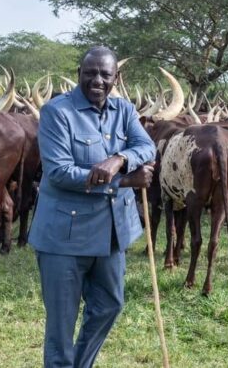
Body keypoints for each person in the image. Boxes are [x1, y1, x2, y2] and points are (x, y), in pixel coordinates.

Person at [28, 46, 156, 368]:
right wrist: (125, 181)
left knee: (110, 305)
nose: (97, 80)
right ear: (79, 74)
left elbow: (146, 145)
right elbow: (59, 173)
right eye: (90, 73)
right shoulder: (57, 112)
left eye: (105, 74)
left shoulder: (124, 110)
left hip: (111, 233)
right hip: (63, 237)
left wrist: (120, 159)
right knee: (61, 323)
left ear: (116, 78)